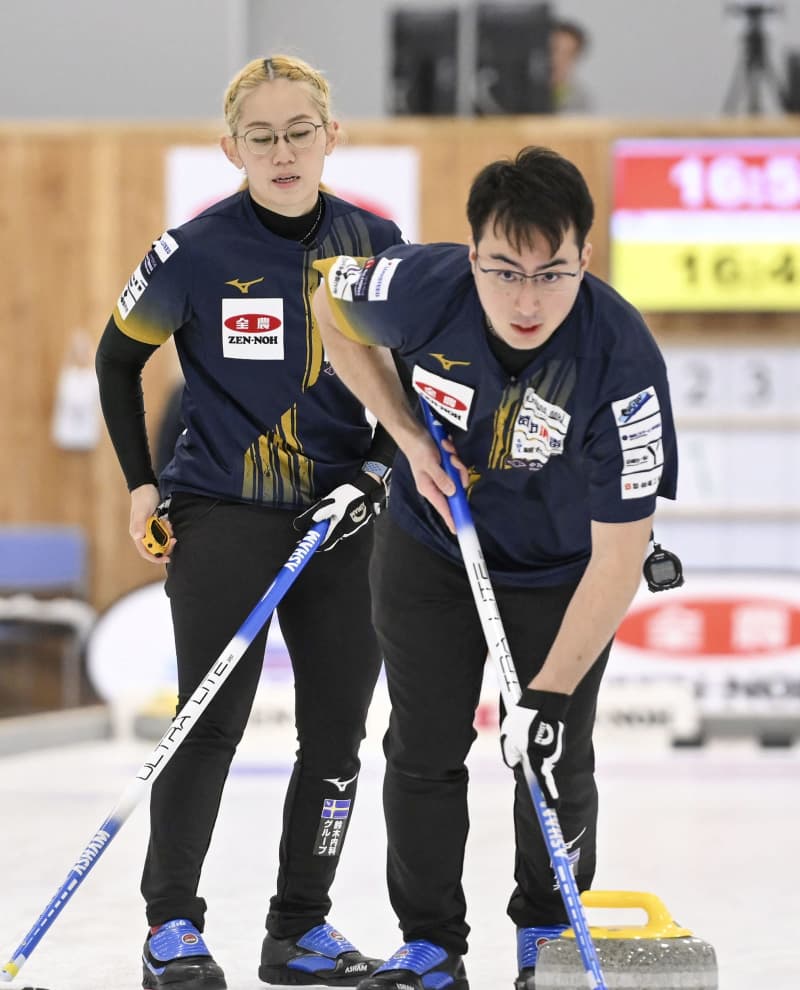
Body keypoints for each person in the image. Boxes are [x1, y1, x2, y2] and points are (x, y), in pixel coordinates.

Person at [311, 146, 678, 990]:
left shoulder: (622, 365)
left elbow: (621, 557)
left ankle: (546, 935)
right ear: (470, 252)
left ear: (586, 258)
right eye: (503, 271)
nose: (525, 300)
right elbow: (329, 300)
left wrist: (545, 698)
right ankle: (431, 944)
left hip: (561, 571)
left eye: (551, 274)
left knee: (552, 756)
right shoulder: (419, 287)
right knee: (422, 745)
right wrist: (404, 433)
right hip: (431, 546)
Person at [95, 54, 406, 990]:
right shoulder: (194, 251)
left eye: (298, 130)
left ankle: (299, 928)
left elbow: (416, 375)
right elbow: (120, 363)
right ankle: (172, 928)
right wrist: (143, 486)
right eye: (261, 136)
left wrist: (383, 468)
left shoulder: (375, 240)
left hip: (344, 518)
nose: (282, 150)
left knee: (338, 731)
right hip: (222, 514)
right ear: (232, 147)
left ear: (331, 135)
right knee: (208, 721)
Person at [550, 19, 592, 113]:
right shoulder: (517, 92)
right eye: (554, 50)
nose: (557, 60)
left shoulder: (580, 100)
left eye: (567, 54)